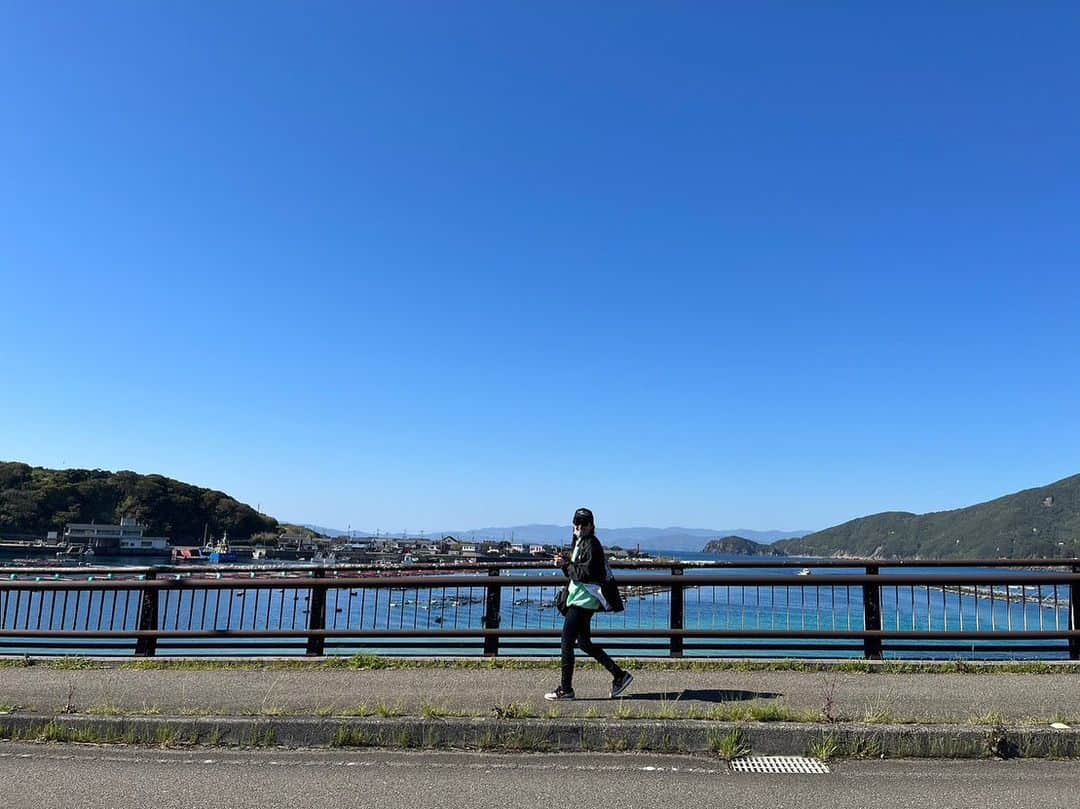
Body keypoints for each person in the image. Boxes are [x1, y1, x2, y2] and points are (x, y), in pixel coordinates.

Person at [545, 507, 634, 701]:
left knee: (566, 642)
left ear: (592, 525)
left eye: (584, 523)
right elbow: (576, 572)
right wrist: (565, 563)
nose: (580, 526)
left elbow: (585, 574)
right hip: (580, 599)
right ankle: (619, 675)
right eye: (577, 523)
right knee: (584, 643)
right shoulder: (579, 542)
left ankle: (566, 689)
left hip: (583, 601)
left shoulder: (592, 544)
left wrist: (565, 565)